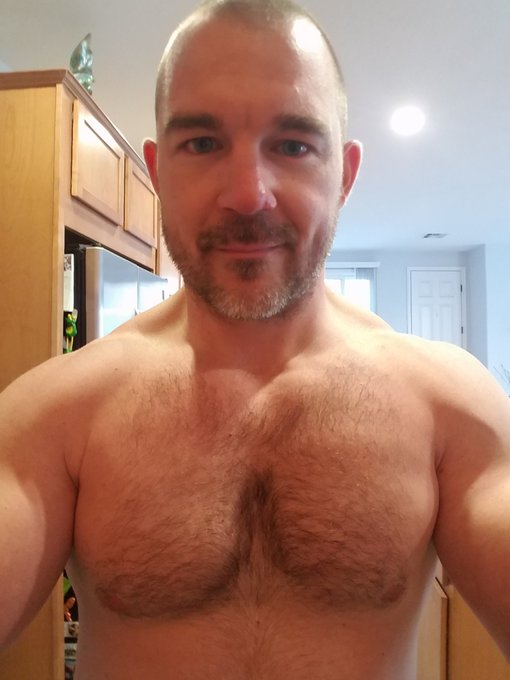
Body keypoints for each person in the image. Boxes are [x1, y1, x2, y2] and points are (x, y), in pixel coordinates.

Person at [1, 0, 509, 678]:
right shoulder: (57, 415)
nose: (248, 194)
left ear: (345, 175)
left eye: (293, 145)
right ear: (158, 171)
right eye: (202, 143)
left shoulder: (449, 407)